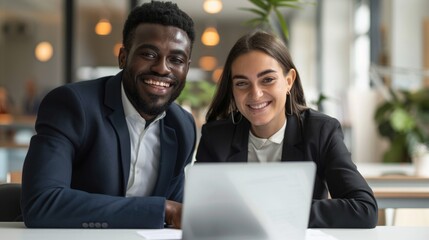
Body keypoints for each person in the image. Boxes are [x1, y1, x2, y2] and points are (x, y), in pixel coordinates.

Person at [21, 1, 196, 229]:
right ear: (123, 57)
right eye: (149, 54)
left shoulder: (182, 126)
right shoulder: (73, 106)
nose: (162, 68)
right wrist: (163, 210)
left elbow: (178, 213)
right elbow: (41, 204)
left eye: (176, 59)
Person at [195, 30, 378, 228]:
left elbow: (364, 209)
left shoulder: (320, 131)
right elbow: (198, 210)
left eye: (267, 80)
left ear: (289, 81)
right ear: (232, 90)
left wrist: (276, 211)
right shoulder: (216, 137)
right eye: (242, 83)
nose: (255, 94)